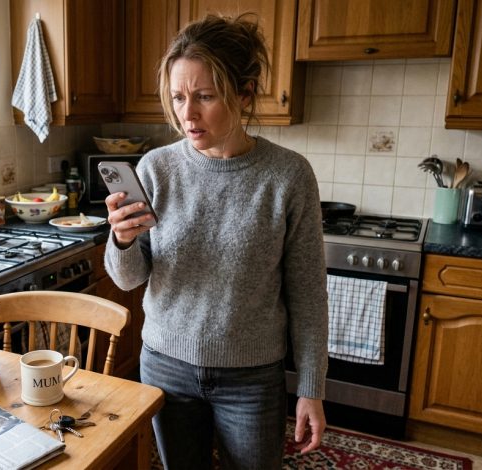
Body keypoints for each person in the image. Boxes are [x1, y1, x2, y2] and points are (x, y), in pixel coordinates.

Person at [103, 13, 328, 469]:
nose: (187, 114)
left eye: (204, 96)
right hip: (165, 366)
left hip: (251, 378)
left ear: (244, 94)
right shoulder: (155, 168)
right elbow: (128, 280)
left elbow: (307, 292)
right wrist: (121, 241)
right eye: (178, 97)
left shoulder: (288, 175)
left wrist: (311, 387)